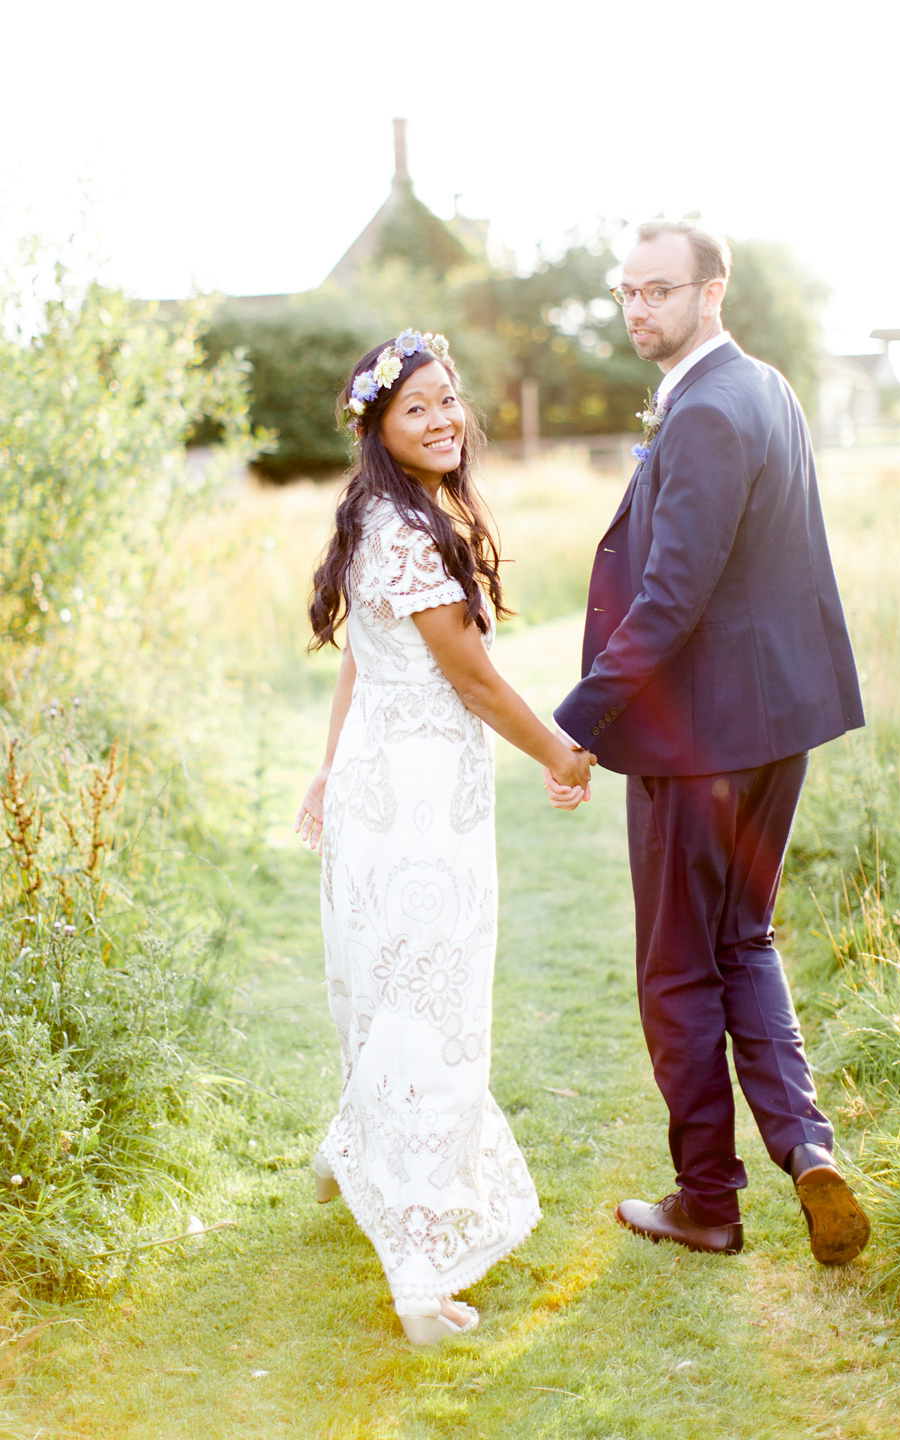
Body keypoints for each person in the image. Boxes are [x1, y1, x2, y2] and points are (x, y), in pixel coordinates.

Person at [546, 219, 870, 1265]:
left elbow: (671, 594)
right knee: (744, 940)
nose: (638, 309)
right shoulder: (765, 389)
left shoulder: (706, 414)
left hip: (704, 747)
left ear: (712, 291)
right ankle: (808, 1147)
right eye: (626, 292)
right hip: (780, 730)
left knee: (678, 967)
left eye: (658, 290)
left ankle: (706, 1200)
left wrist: (581, 720)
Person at [295, 329, 595, 1345]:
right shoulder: (407, 531)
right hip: (417, 809)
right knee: (431, 1003)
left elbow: (356, 663)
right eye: (416, 406)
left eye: (449, 399)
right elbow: (469, 680)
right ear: (380, 427)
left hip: (389, 790)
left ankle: (349, 1145)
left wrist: (332, 772)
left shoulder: (391, 519)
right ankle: (421, 1275)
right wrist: (560, 753)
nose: (442, 419)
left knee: (390, 985)